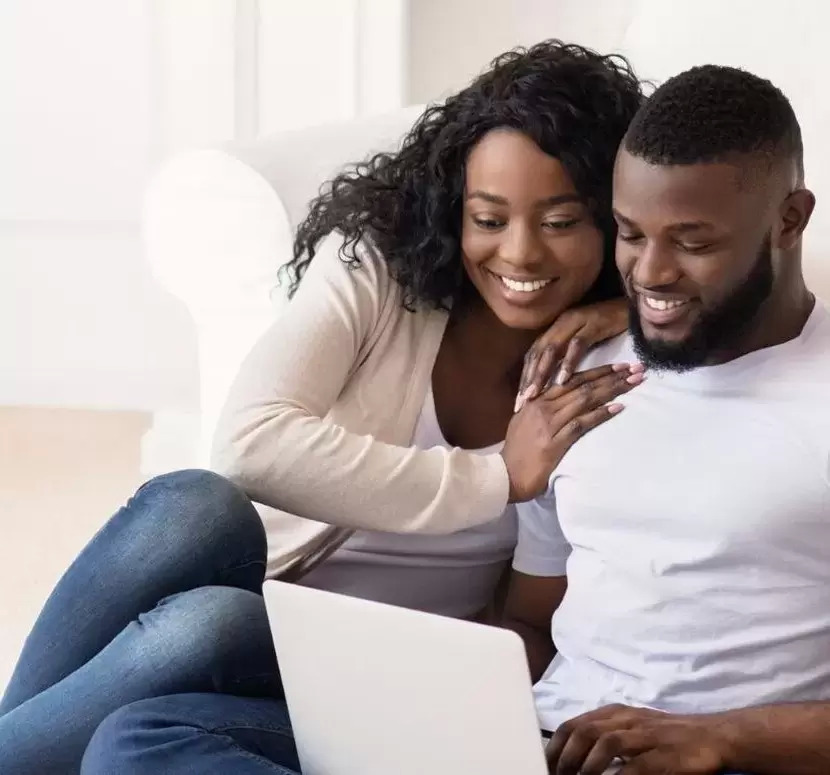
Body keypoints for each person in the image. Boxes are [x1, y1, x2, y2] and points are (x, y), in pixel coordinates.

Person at [83, 64, 830, 775]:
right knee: (143, 736)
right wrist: (434, 698)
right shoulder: (571, 372)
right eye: (632, 235)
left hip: (709, 757)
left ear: (790, 220)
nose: (652, 274)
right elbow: (533, 625)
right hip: (532, 739)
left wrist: (717, 737)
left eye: (693, 244)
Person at [0, 41, 644, 774]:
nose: (520, 253)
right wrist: (496, 476)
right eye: (488, 219)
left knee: (205, 630)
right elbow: (248, 444)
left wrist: (633, 308)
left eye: (560, 222)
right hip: (263, 619)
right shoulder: (380, 271)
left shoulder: (601, 377)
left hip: (371, 679)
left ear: (615, 219)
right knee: (195, 506)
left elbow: (536, 626)